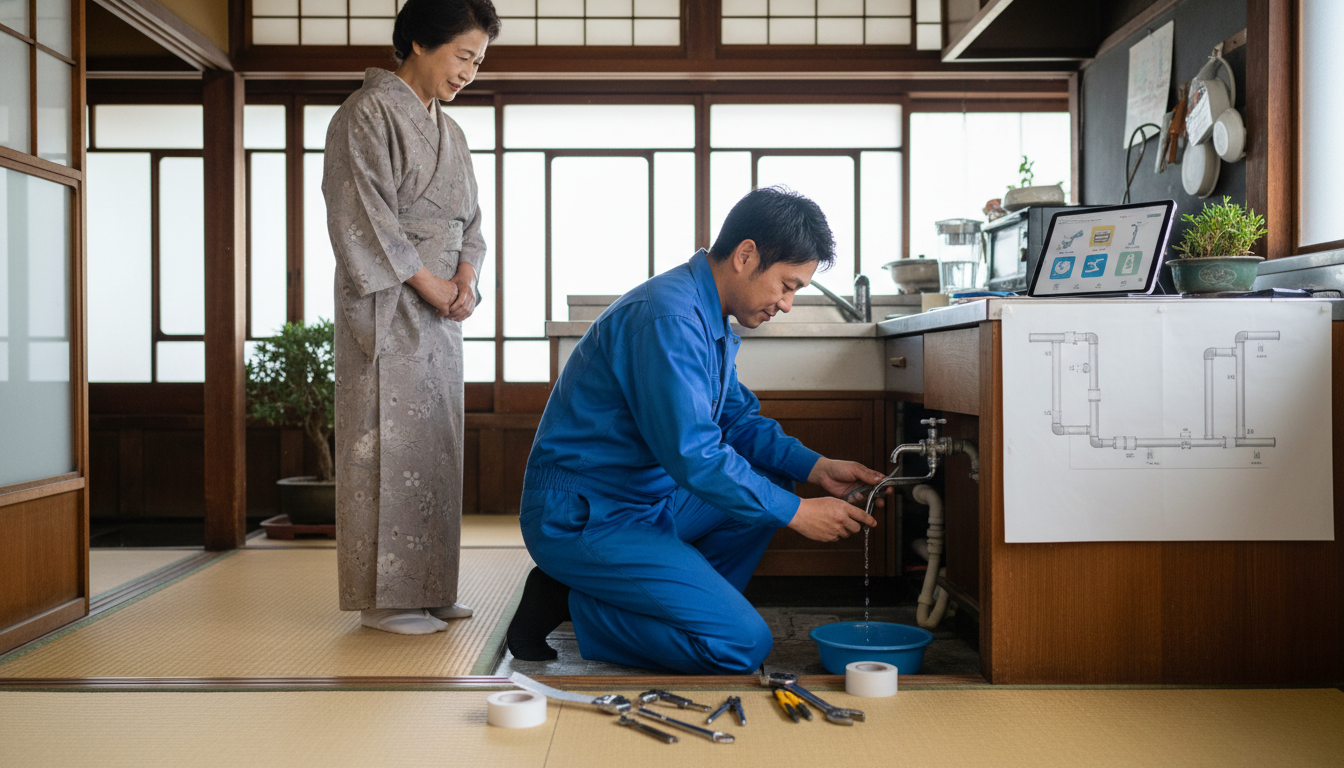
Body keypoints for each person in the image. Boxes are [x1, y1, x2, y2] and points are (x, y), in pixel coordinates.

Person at [506, 187, 889, 674]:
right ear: (746, 256)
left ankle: (679, 609)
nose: (787, 304)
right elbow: (696, 455)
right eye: (787, 286)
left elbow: (738, 420)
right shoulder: (668, 316)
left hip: (646, 499)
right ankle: (571, 601)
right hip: (583, 515)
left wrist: (818, 468)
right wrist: (797, 513)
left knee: (772, 481)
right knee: (740, 645)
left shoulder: (708, 315)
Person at [323, 0, 500, 635]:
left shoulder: (452, 134)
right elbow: (361, 216)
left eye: (478, 62)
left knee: (434, 448)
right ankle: (383, 600)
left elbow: (471, 224)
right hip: (388, 308)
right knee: (385, 444)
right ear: (421, 42)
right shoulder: (364, 113)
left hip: (441, 314)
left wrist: (466, 281)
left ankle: (428, 587)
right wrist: (430, 284)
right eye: (464, 56)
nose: (470, 72)